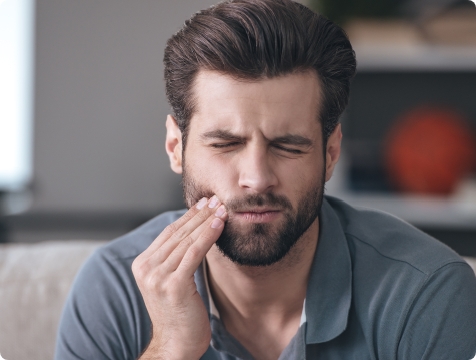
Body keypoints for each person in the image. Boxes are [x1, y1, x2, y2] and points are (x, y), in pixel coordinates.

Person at [55, 0, 476, 359]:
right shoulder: (112, 288)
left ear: (330, 153)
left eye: (289, 146)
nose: (256, 179)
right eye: (225, 144)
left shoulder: (426, 292)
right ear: (175, 149)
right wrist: (169, 348)